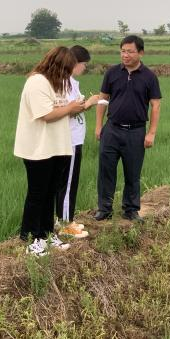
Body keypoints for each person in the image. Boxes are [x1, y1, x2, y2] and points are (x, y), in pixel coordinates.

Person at [14, 46, 86, 256]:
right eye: (66, 69)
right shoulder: (37, 82)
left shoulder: (58, 82)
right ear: (56, 65)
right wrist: (71, 108)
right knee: (37, 194)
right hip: (38, 149)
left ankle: (46, 234)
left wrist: (75, 107)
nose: (67, 75)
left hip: (57, 147)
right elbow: (46, 114)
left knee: (51, 193)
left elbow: (63, 111)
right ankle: (30, 238)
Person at [94, 35, 162, 222]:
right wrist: (99, 126)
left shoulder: (149, 77)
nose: (125, 55)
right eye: (123, 51)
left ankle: (131, 209)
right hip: (112, 129)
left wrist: (151, 133)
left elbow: (155, 105)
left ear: (141, 53)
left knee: (133, 173)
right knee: (106, 171)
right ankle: (104, 209)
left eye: (130, 52)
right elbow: (102, 99)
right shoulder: (112, 73)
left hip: (136, 131)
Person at [55, 45, 100, 238]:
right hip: (70, 139)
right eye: (84, 64)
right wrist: (90, 102)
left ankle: (63, 219)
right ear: (75, 63)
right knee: (68, 183)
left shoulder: (70, 82)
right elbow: (68, 110)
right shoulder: (64, 83)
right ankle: (66, 225)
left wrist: (86, 104)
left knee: (66, 182)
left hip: (73, 137)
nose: (85, 68)